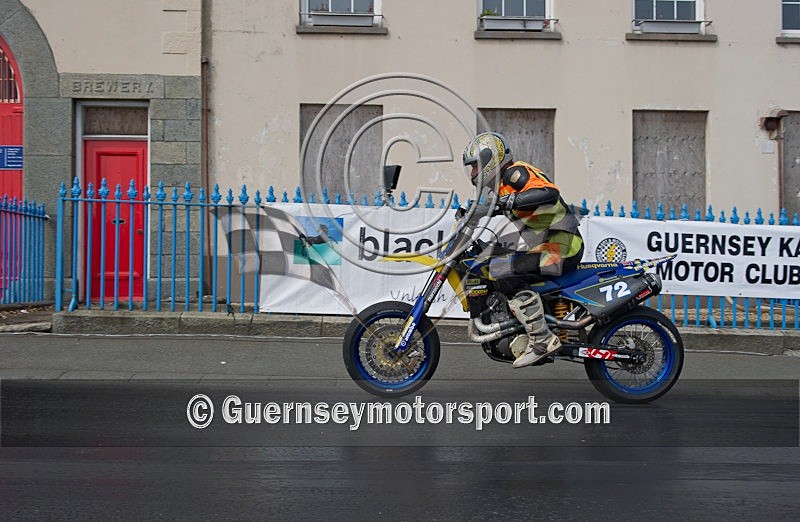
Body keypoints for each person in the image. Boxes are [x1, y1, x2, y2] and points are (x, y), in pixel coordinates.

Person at [462, 132, 584, 368]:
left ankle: (541, 340)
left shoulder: (515, 173)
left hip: (562, 247)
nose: (473, 174)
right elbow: (490, 210)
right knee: (493, 262)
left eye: (475, 167)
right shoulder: (500, 187)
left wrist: (510, 202)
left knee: (507, 273)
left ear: (490, 160)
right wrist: (468, 217)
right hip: (544, 246)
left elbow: (550, 193)